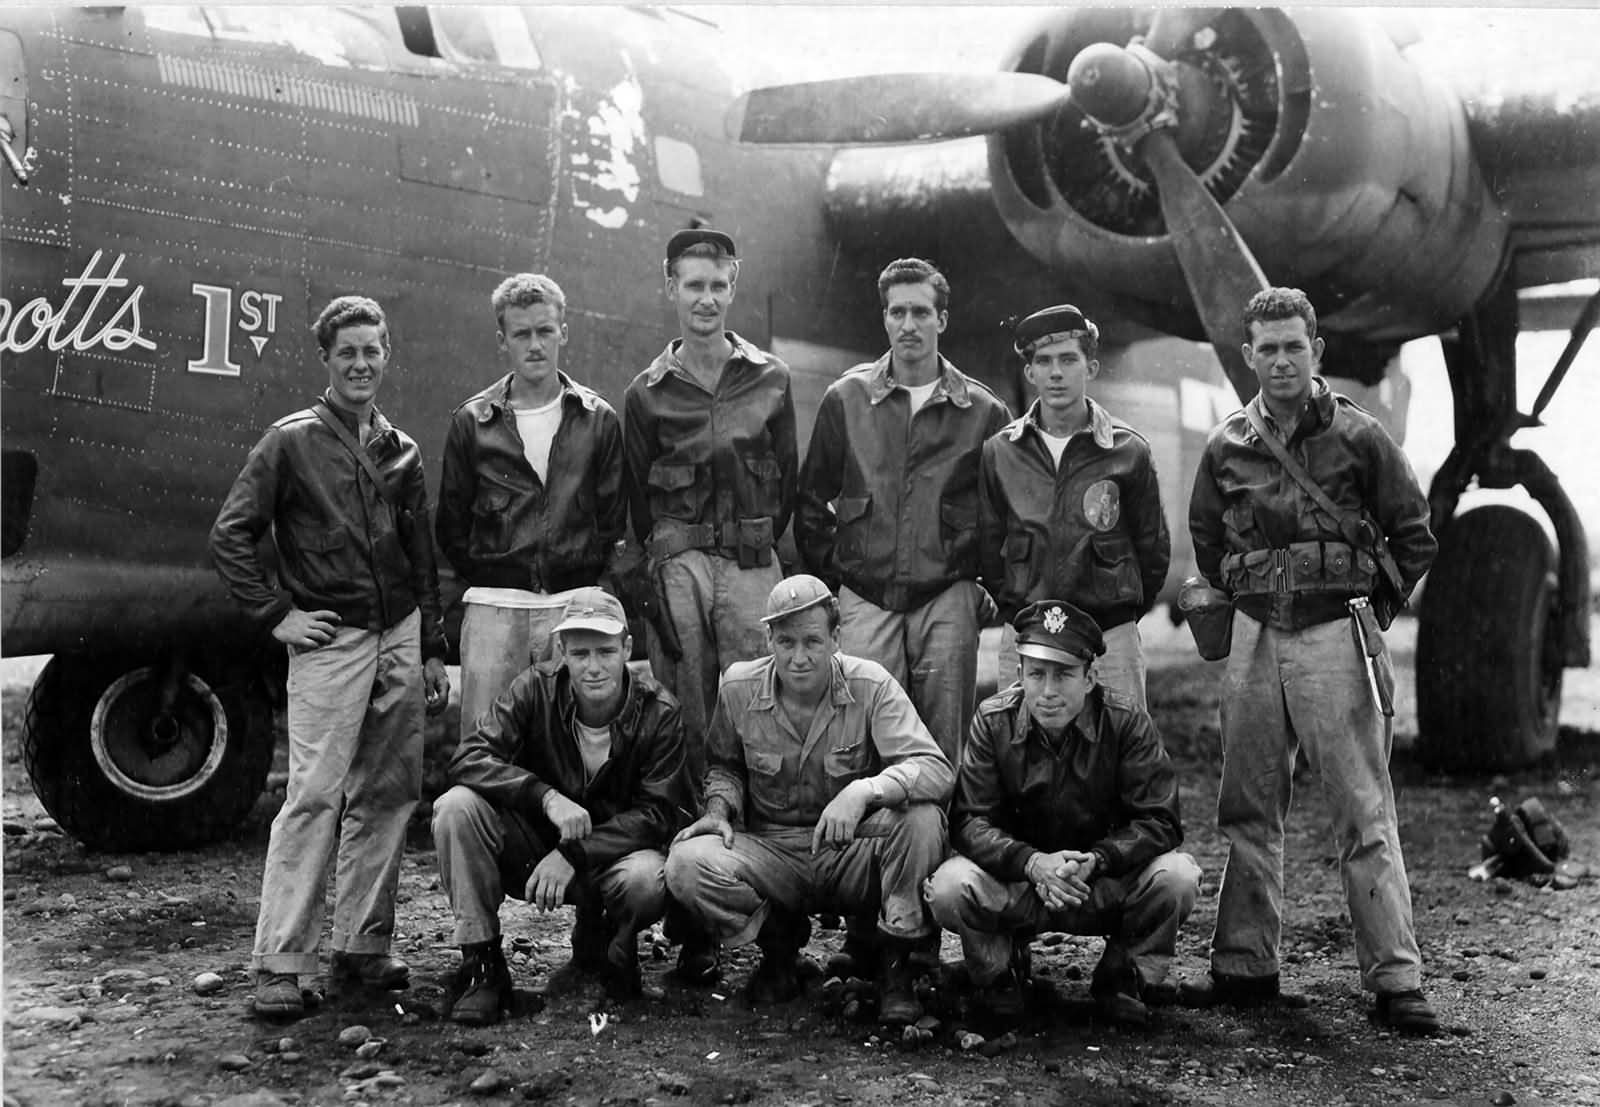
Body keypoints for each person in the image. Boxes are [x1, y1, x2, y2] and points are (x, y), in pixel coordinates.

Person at [1187, 287, 1440, 1033]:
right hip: (1256, 636)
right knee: (1247, 805)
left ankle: (1396, 978)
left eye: (1294, 345)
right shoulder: (1226, 443)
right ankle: (1243, 965)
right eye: (1266, 348)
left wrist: (1370, 613)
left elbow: (1414, 536)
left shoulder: (1361, 438)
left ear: (1316, 351)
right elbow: (1208, 540)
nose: (1281, 359)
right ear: (1248, 357)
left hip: (1335, 632)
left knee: (1362, 807)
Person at [209, 295, 450, 1020]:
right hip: (330, 638)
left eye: (372, 350)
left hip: (399, 633)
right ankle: (282, 959)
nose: (360, 363)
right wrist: (277, 614)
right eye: (347, 351)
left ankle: (361, 946)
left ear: (387, 354)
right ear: (325, 359)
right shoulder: (289, 442)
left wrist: (431, 647)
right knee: (313, 794)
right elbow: (231, 534)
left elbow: (420, 555)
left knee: (390, 790)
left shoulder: (400, 448)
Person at [664, 575, 953, 1026]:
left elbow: (934, 768)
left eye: (813, 641)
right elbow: (724, 765)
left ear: (837, 638)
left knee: (922, 819)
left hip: (852, 851)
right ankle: (778, 948)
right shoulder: (738, 689)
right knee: (686, 862)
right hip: (774, 852)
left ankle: (896, 965)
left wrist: (865, 790)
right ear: (768, 640)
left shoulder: (870, 684)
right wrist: (719, 811)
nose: (799, 657)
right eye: (786, 642)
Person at [926, 600, 1198, 1026]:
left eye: (1064, 674)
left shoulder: (1126, 722)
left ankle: (1123, 975)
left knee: (1178, 878)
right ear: (1020, 676)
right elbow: (969, 821)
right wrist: (1032, 863)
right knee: (949, 887)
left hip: (1098, 882)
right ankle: (999, 974)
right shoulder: (993, 721)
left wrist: (1098, 860)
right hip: (1021, 882)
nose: (1048, 690)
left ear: (1090, 678)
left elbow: (1162, 819)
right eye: (1036, 674)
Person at [431, 588, 690, 1022]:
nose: (593, 667)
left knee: (648, 879)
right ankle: (482, 964)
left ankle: (611, 947)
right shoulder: (534, 688)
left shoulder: (659, 711)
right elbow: (469, 757)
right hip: (534, 846)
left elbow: (658, 813)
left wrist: (573, 854)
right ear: (562, 652)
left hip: (612, 856)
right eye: (580, 652)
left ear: (628, 647)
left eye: (606, 651)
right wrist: (544, 796)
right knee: (456, 808)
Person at [796, 257, 1012, 763]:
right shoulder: (845, 399)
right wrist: (841, 579)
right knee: (861, 734)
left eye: (920, 312)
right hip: (866, 596)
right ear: (885, 319)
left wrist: (979, 588)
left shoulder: (982, 411)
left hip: (946, 596)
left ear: (942, 320)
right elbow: (810, 501)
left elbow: (1005, 515)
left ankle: (940, 837)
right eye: (897, 312)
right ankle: (873, 837)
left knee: (943, 742)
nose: (908, 325)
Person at [621, 228, 797, 784]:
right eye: (694, 285)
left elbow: (788, 480)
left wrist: (755, 540)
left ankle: (761, 825)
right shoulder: (646, 393)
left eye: (719, 285)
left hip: (750, 563)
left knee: (762, 698)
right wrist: (665, 567)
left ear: (733, 287)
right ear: (670, 287)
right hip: (681, 568)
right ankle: (688, 826)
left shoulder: (771, 377)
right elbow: (636, 499)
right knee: (682, 708)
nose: (707, 299)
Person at [436, 273, 625, 741]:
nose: (535, 344)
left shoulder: (597, 419)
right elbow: (452, 527)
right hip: (494, 612)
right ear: (503, 340)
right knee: (485, 747)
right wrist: (497, 573)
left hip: (570, 610)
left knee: (567, 749)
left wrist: (580, 587)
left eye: (545, 330)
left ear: (564, 331)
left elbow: (612, 521)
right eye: (522, 334)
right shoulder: (472, 422)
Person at [978, 304, 1170, 709]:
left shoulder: (1128, 451)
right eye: (1043, 362)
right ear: (1029, 374)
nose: (1056, 372)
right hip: (1029, 637)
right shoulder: (1000, 453)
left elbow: (1152, 550)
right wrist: (1020, 608)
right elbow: (989, 549)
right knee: (1023, 756)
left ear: (1091, 368)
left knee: (1121, 757)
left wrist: (1119, 615)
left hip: (1109, 637)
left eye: (1069, 359)